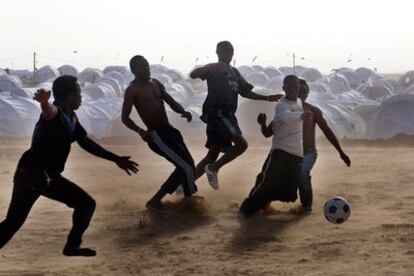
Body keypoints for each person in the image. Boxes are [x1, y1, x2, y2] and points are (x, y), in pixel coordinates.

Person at [0, 75, 138, 256]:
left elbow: (85, 142)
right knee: (86, 203)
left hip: (26, 173)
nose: (81, 98)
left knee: (12, 222)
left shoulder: (71, 117)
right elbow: (48, 112)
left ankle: (72, 245)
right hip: (41, 176)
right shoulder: (57, 112)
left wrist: (116, 159)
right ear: (70, 95)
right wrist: (43, 103)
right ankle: (72, 245)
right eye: (79, 93)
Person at [190, 41, 282, 189]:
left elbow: (245, 92)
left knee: (212, 155)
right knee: (242, 145)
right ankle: (214, 168)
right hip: (218, 114)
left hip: (228, 116)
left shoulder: (234, 72)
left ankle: (185, 185)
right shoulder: (213, 69)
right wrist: (211, 66)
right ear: (218, 52)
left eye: (231, 50)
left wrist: (267, 98)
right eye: (225, 50)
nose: (229, 53)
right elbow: (193, 74)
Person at [122, 55, 197, 212]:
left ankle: (156, 200)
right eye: (142, 67)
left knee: (187, 165)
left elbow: (170, 101)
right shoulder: (132, 90)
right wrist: (140, 131)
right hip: (156, 136)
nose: (146, 70)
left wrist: (183, 112)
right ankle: (189, 200)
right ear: (134, 71)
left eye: (147, 66)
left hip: (170, 131)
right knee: (186, 168)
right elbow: (125, 117)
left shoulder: (155, 83)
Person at [239, 75, 312, 217]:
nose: (292, 90)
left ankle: (264, 201)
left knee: (290, 194)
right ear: (284, 88)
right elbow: (287, 117)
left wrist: (262, 124)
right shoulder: (281, 106)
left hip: (296, 154)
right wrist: (302, 115)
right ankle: (245, 210)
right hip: (280, 152)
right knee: (267, 182)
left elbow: (268, 132)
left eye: (295, 88)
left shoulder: (297, 104)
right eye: (289, 87)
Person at [297, 79, 351, 213]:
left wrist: (341, 152)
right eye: (298, 90)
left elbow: (326, 130)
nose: (301, 94)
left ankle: (306, 207)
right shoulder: (284, 110)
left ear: (307, 94)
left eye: (304, 91)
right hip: (290, 153)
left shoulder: (313, 111)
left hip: (309, 152)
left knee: (303, 173)